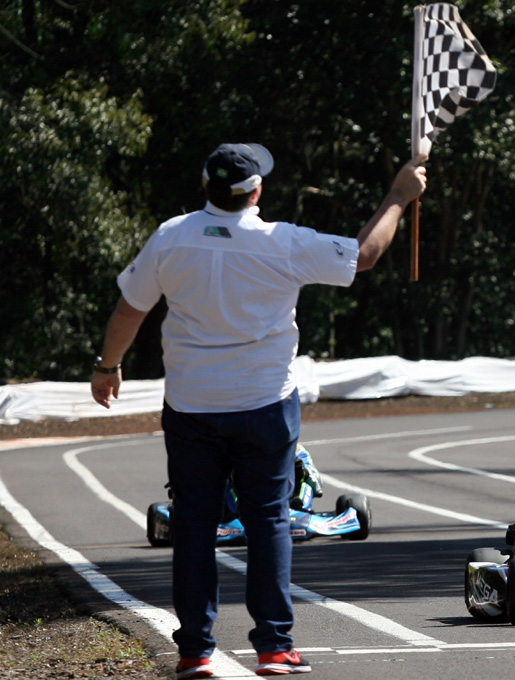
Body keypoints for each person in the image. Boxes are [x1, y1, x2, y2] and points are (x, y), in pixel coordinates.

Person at [90, 143, 427, 679]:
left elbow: (129, 309)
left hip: (192, 405)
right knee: (268, 520)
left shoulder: (170, 237)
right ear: (256, 190)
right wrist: (399, 195)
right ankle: (273, 647)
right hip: (265, 404)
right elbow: (364, 254)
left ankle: (195, 651)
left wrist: (108, 366)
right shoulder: (282, 241)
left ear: (206, 185)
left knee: (194, 526)